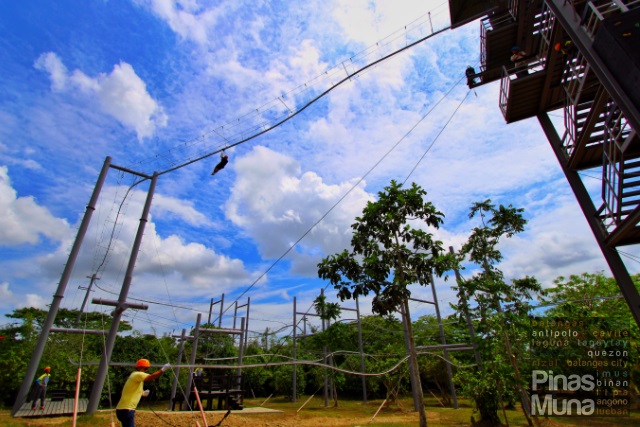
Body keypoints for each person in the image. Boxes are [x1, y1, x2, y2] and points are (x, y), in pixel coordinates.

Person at [116, 359, 170, 427]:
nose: (146, 370)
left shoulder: (136, 378)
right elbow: (151, 377)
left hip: (122, 409)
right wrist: (162, 370)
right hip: (127, 409)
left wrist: (143, 393)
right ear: (141, 368)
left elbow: (133, 391)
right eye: (145, 368)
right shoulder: (137, 374)